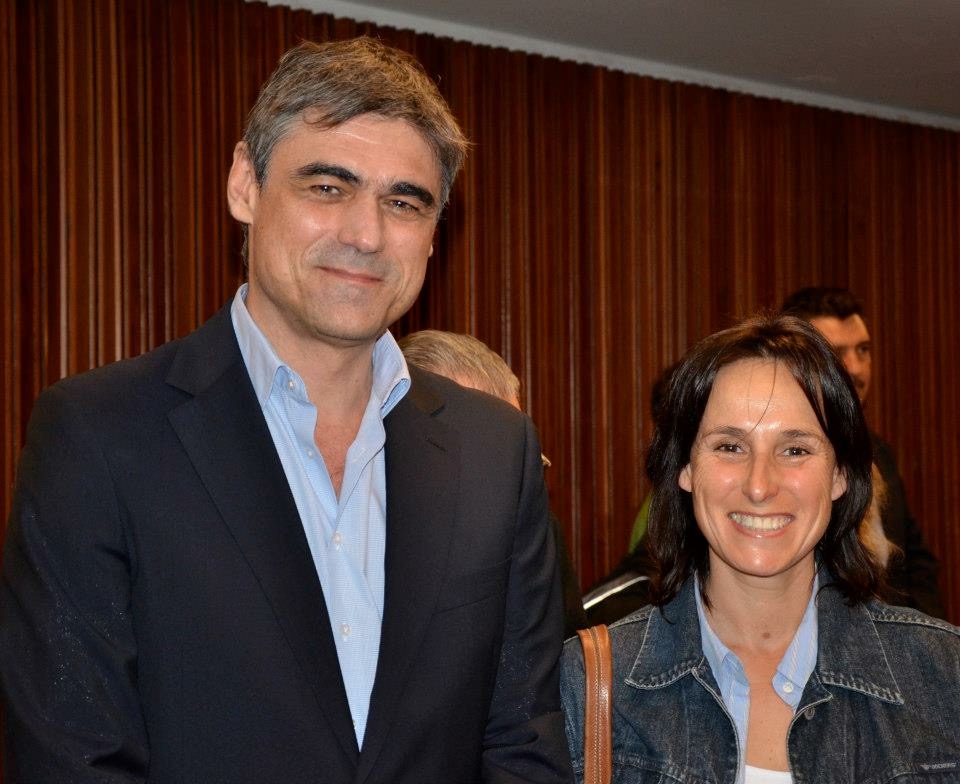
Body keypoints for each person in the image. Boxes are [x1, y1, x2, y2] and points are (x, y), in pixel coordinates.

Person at [0, 38, 573, 783]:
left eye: (404, 202)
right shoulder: (99, 437)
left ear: (434, 235)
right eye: (328, 187)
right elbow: (74, 761)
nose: (366, 235)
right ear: (245, 185)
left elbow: (523, 747)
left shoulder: (496, 452)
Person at [561, 315, 960, 783]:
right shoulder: (588, 685)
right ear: (685, 467)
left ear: (840, 475)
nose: (759, 485)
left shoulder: (943, 675)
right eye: (730, 446)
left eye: (795, 450)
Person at [398, 329, 589, 637]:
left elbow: (563, 657)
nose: (506, 478)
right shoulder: (358, 533)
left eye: (518, 457)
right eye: (482, 452)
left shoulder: (539, 532)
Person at [781, 286, 945, 618]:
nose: (856, 368)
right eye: (837, 352)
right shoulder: (782, 459)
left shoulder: (877, 451)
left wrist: (919, 634)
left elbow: (917, 564)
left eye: (863, 350)